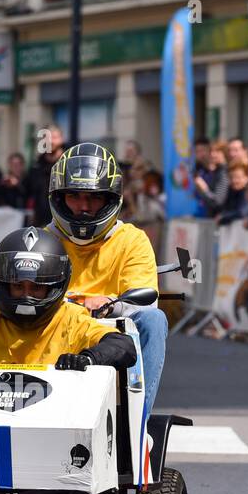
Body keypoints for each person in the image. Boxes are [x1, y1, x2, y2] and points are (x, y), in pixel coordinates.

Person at [45, 142, 167, 417]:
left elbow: (145, 302)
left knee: (154, 321)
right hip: (53, 332)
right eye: (74, 196)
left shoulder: (132, 239)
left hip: (112, 335)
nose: (84, 207)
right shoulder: (42, 240)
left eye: (94, 197)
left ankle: (138, 425)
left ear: (111, 199)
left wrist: (110, 304)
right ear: (59, 197)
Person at [0, 226, 136, 372]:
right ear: (3, 284)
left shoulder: (72, 318)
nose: (26, 294)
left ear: (54, 286)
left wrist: (87, 359)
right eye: (18, 286)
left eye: (36, 287)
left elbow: (123, 345)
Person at [27, 125, 66, 226]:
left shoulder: (68, 163)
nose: (50, 142)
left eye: (54, 137)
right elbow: (29, 191)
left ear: (61, 139)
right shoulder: (37, 165)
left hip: (63, 219)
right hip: (40, 221)